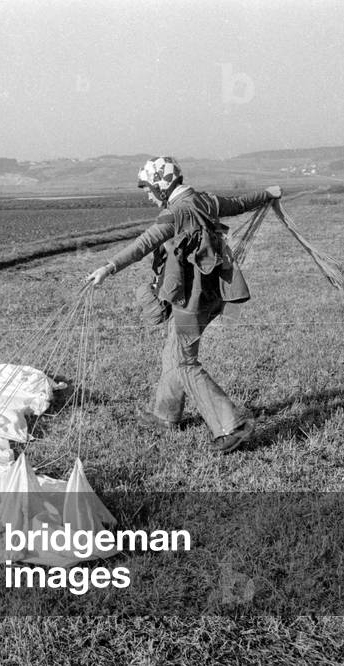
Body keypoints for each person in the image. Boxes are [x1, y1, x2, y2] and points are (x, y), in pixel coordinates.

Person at [86, 157, 282, 453]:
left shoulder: (174, 214)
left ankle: (232, 425)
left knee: (183, 362)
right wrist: (268, 193)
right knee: (173, 351)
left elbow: (142, 245)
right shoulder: (207, 201)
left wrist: (108, 267)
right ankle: (166, 415)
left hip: (192, 301)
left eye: (149, 189)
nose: (147, 195)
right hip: (212, 294)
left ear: (162, 186)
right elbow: (241, 203)